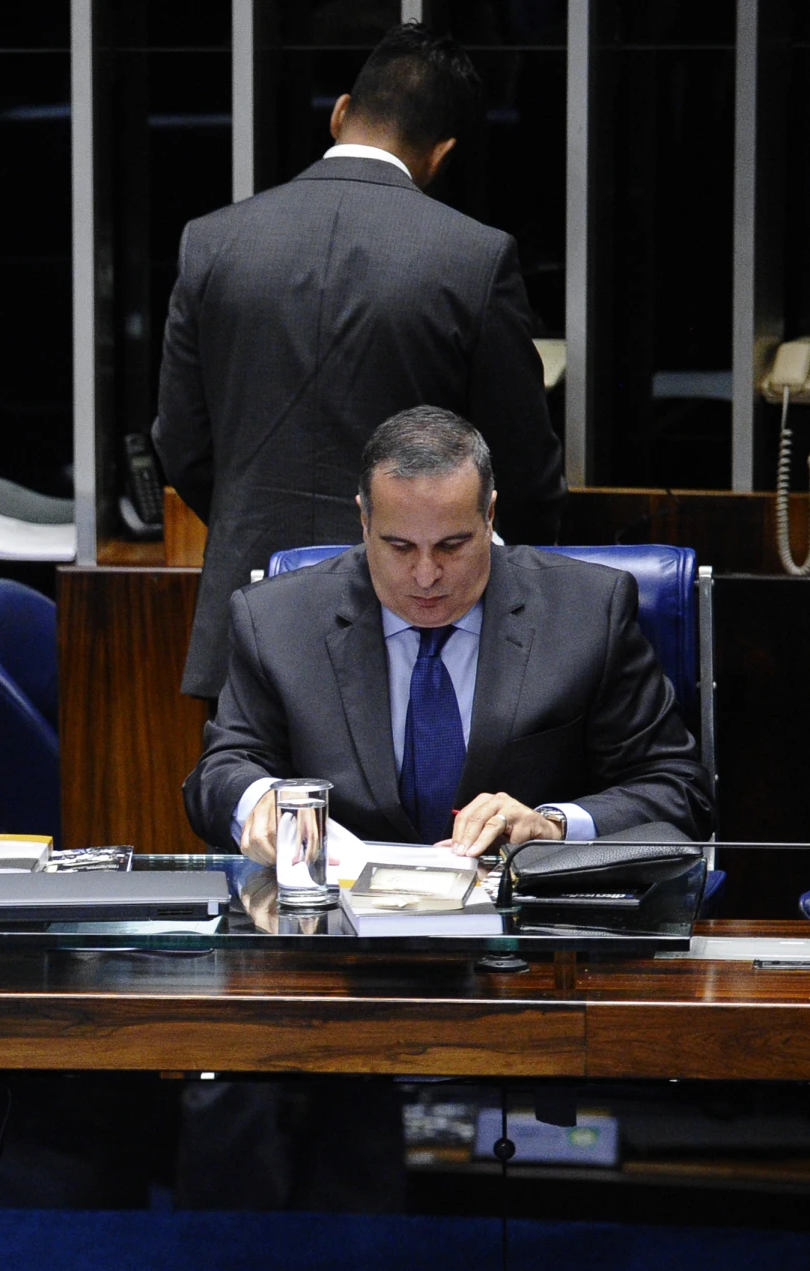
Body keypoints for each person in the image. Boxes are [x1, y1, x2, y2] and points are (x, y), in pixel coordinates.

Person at [155, 22, 565, 703]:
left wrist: (260, 523)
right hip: (419, 627)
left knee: (262, 808)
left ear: (341, 112)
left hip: (253, 619)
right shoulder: (473, 258)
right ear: (441, 154)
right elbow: (522, 470)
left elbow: (180, 446)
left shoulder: (212, 241)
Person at [184, 406, 710, 859]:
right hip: (335, 942)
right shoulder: (277, 619)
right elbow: (221, 771)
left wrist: (553, 825)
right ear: (364, 521)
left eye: (452, 546)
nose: (427, 575)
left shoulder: (588, 611)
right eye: (400, 547)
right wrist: (260, 800)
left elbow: (678, 790)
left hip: (530, 941)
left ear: (490, 516)